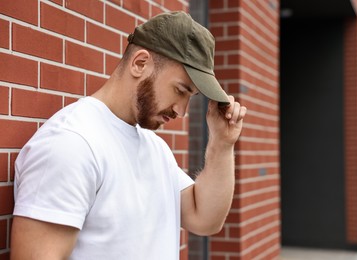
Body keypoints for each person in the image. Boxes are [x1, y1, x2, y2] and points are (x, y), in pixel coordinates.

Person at [10, 11, 247, 259]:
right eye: (180, 90)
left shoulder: (156, 148)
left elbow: (205, 219)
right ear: (140, 64)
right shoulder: (71, 143)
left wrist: (222, 143)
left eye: (190, 97)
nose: (182, 110)